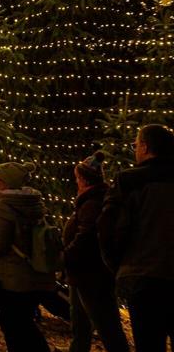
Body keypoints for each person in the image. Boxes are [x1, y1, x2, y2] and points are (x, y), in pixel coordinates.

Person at [98, 124, 174, 352]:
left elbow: (108, 228)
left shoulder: (129, 181)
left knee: (149, 343)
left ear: (145, 146)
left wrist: (119, 265)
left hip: (143, 277)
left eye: (135, 145)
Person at [0, 161, 55, 352]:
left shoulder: (3, 206)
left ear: (7, 182)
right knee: (24, 323)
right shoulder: (33, 203)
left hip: (13, 277)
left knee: (14, 326)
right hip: (34, 273)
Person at [63, 151, 128, 352]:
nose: (75, 182)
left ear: (83, 179)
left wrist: (66, 256)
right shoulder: (90, 200)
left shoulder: (93, 203)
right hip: (80, 273)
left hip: (91, 274)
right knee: (80, 321)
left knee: (105, 321)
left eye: (76, 178)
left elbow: (87, 236)